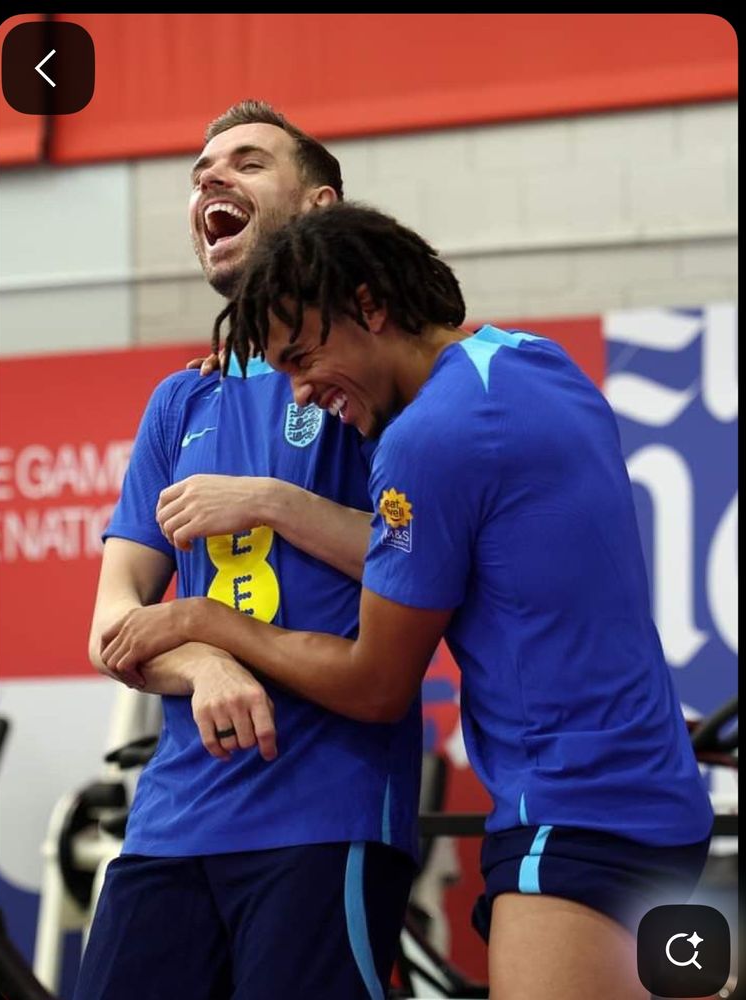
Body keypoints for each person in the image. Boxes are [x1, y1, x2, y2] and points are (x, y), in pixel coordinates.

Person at [102, 202, 715, 1000]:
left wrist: (202, 619)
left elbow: (375, 683)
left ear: (369, 307)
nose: (299, 392)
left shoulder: (425, 443)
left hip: (570, 813)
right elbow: (445, 553)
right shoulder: (531, 360)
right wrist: (278, 501)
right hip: (654, 799)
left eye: (302, 358)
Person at [76, 107, 421, 1000]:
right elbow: (114, 621)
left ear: (318, 206)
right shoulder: (179, 401)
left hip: (324, 814)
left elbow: (420, 557)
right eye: (199, 171)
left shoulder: (374, 374)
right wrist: (200, 663)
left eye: (246, 161)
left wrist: (273, 502)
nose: (209, 181)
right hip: (172, 819)